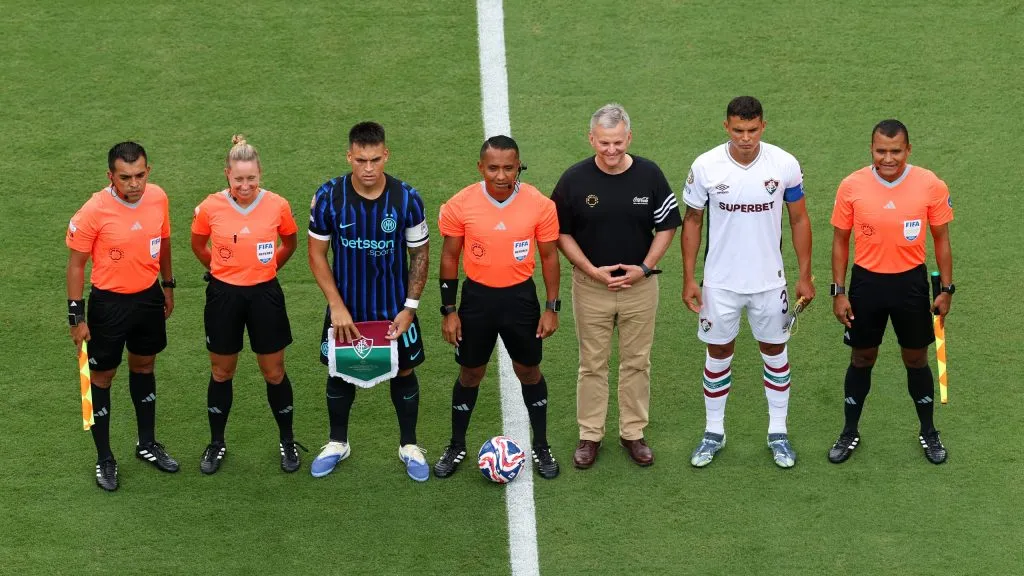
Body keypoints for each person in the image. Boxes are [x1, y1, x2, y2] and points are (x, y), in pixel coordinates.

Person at [681, 96, 814, 469]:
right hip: (719, 283)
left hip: (770, 283)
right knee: (719, 352)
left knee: (775, 352)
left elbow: (799, 220)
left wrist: (804, 275)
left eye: (752, 130)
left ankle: (778, 433)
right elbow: (692, 221)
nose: (745, 138)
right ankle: (713, 432)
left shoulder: (784, 164)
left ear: (763, 126)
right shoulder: (706, 166)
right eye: (738, 130)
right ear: (726, 127)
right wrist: (690, 278)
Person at [550, 103, 680, 469]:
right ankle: (590, 435)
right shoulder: (573, 180)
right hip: (591, 289)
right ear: (591, 138)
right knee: (592, 363)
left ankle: (632, 433)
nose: (611, 150)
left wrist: (644, 267)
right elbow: (560, 232)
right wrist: (592, 271)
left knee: (637, 362)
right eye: (604, 142)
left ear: (629, 138)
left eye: (618, 142)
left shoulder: (650, 175)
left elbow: (667, 225)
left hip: (640, 289)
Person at [307, 122, 431, 482]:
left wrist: (410, 308)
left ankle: (409, 445)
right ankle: (337, 442)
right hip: (347, 309)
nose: (368, 168)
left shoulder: (407, 199)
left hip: (394, 309)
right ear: (349, 156)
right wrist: (336, 305)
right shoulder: (329, 197)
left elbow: (420, 256)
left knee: (405, 371)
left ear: (386, 155)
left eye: (375, 159)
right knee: (340, 372)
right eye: (360, 160)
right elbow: (317, 254)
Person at [433, 135, 562, 480]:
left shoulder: (539, 204)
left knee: (529, 371)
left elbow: (550, 256)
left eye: (509, 167)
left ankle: (542, 444)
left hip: (520, 300)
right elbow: (449, 256)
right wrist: (449, 310)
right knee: (470, 373)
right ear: (481, 167)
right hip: (477, 300)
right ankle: (456, 443)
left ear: (518, 165)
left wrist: (552, 307)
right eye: (493, 168)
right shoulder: (461, 204)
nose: (502, 175)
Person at [828, 119, 954, 465]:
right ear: (871, 149)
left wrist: (946, 289)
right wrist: (839, 292)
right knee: (861, 358)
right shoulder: (851, 185)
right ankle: (849, 431)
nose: (888, 158)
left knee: (916, 359)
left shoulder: (930, 184)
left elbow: (942, 239)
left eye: (895, 151)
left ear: (908, 150)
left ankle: (928, 431)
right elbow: (840, 241)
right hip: (866, 284)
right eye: (881, 150)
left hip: (910, 285)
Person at [66, 142, 179, 491]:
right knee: (102, 378)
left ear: (149, 171)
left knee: (144, 366)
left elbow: (164, 241)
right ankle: (104, 458)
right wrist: (76, 317)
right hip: (108, 306)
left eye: (140, 175)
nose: (134, 184)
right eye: (125, 177)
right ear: (111, 176)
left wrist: (168, 286)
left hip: (148, 299)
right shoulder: (93, 211)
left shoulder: (158, 198)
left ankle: (146, 443)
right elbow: (76, 266)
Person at [191, 135, 302, 474]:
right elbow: (198, 244)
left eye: (251, 178)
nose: (245, 185)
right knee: (222, 372)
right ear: (227, 174)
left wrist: (265, 271)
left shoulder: (277, 205)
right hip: (224, 296)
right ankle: (216, 443)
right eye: (238, 178)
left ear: (260, 174)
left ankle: (287, 441)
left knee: (275, 372)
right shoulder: (210, 207)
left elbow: (290, 241)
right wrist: (223, 271)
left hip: (264, 296)